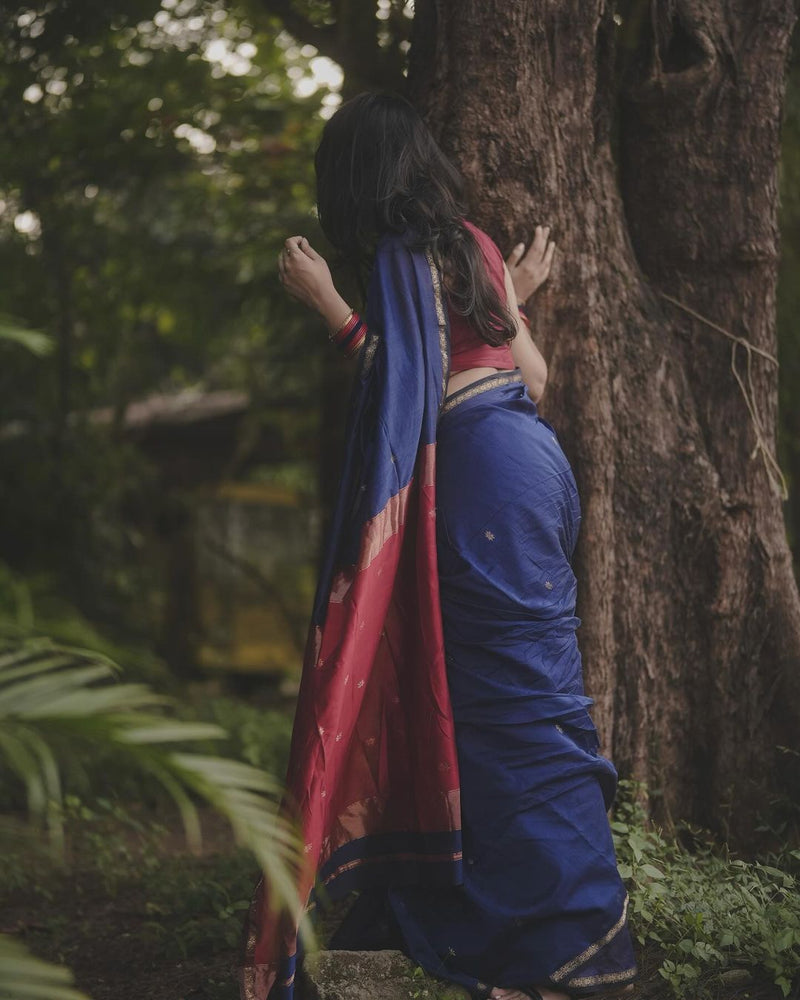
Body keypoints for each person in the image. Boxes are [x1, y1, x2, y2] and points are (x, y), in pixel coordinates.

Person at [238, 91, 637, 1000]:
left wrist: (328, 304)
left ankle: (546, 940)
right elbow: (530, 378)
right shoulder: (474, 244)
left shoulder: (395, 259)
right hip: (533, 468)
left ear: (354, 181)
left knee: (504, 713)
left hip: (480, 486)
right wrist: (511, 304)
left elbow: (401, 388)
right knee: (531, 697)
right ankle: (577, 937)